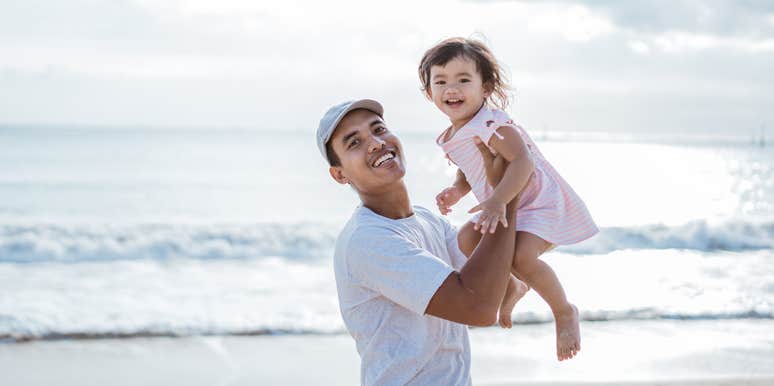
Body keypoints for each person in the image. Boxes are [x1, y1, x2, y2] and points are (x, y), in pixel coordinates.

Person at [418, 37, 599, 361]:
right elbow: (471, 167)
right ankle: (514, 286)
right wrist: (459, 189)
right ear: (429, 92)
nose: (451, 89)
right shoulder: (454, 134)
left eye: (463, 80)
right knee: (468, 239)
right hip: (503, 199)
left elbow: (522, 162)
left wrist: (498, 200)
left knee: (522, 256)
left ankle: (563, 310)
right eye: (440, 81)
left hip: (537, 201)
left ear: (485, 88)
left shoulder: (491, 122)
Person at [318, 99, 518, 385]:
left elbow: (490, 281)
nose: (375, 143)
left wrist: (501, 176)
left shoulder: (427, 220)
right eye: (354, 143)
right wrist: (506, 196)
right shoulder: (367, 241)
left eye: (379, 129)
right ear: (340, 174)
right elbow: (479, 308)